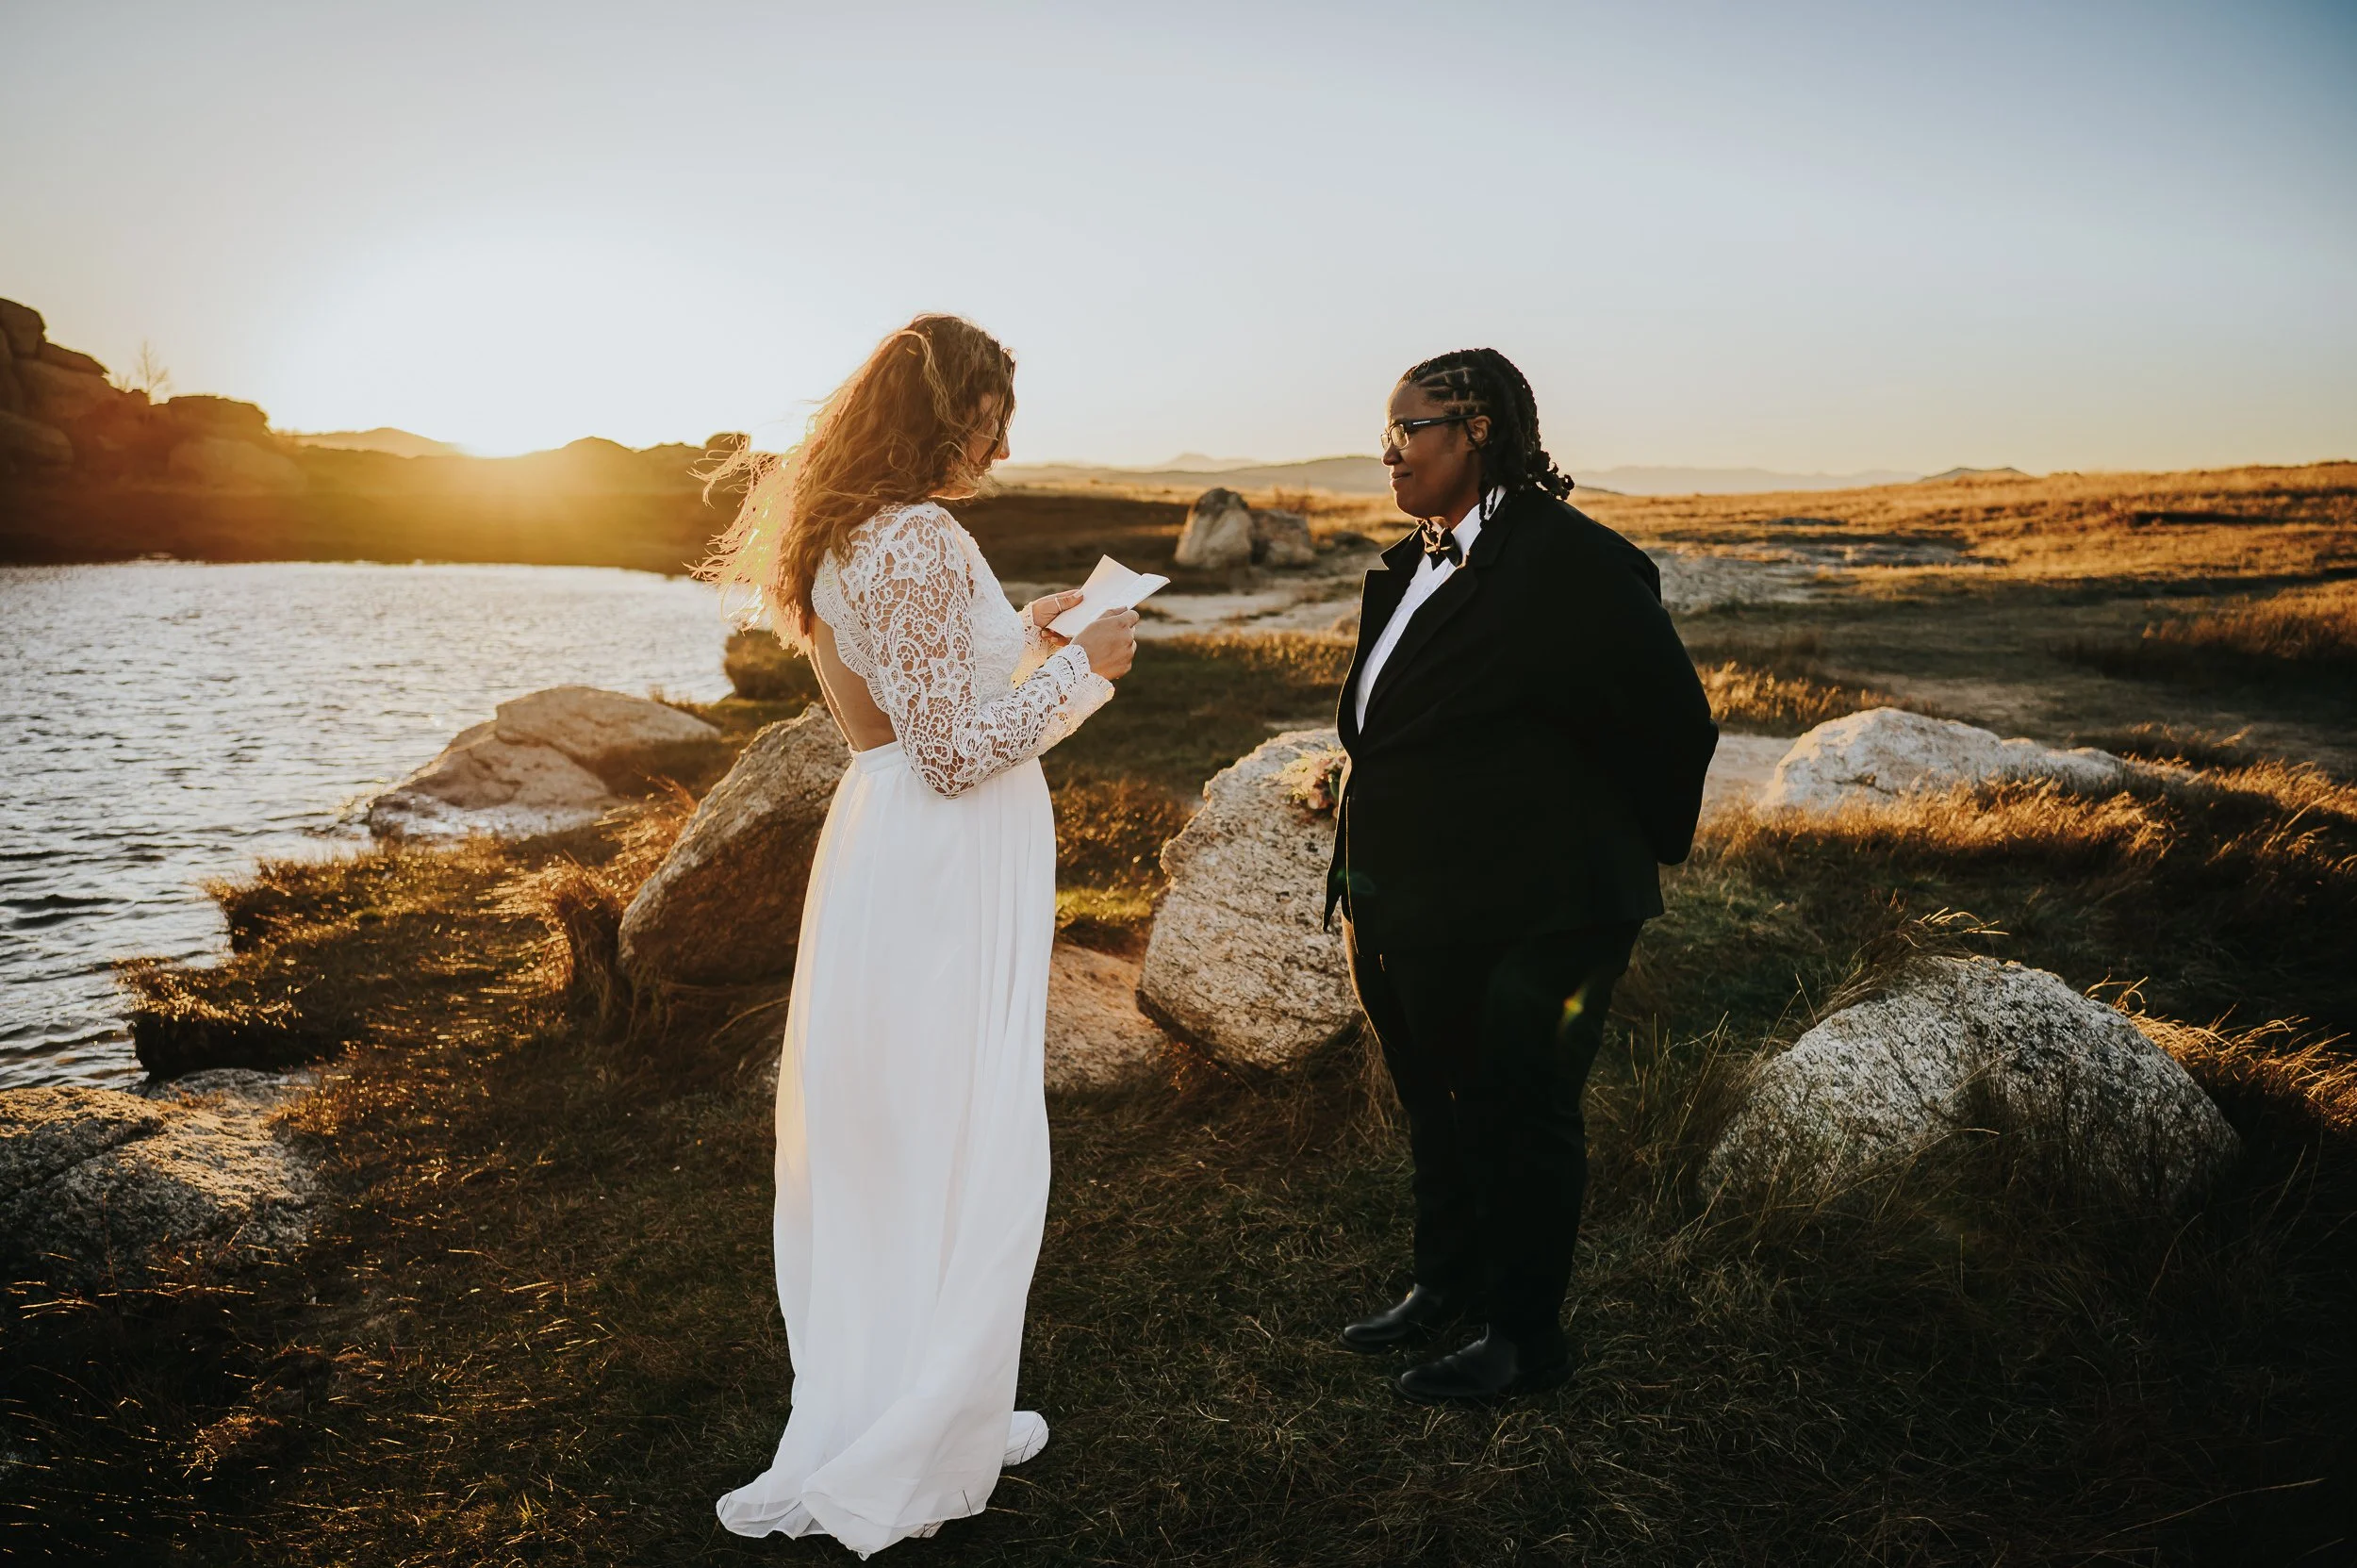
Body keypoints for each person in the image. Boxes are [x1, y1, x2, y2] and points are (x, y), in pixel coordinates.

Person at [699, 314, 1138, 1551]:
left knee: (898, 1126)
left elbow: (938, 677)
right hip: (946, 852)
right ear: (943, 414)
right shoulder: (922, 534)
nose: (1002, 440)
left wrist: (1040, 628)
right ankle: (925, 1409)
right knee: (956, 1124)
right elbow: (955, 749)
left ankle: (919, 1387)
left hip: (889, 844)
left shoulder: (843, 533)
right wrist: (1090, 670)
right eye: (991, 414)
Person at [1327, 347, 1718, 1404]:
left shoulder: (1571, 562)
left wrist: (1593, 852)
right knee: (1438, 1100)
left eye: (1407, 429)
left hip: (1540, 908)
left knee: (1518, 1109)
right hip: (1409, 900)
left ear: (1478, 430)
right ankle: (1445, 1284)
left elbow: (1672, 723)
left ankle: (1523, 1338)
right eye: (1387, 433)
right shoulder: (1417, 558)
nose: (1389, 452)